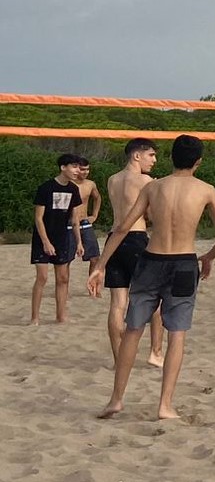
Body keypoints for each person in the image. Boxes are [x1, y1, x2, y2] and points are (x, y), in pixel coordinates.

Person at [90, 134, 215, 420]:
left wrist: (100, 265)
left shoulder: (153, 187)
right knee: (176, 333)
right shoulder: (206, 189)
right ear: (198, 162)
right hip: (184, 262)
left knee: (133, 329)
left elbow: (122, 228)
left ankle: (116, 399)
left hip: (151, 260)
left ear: (171, 158)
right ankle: (165, 405)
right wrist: (209, 257)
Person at [94, 138, 164, 367]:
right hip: (135, 238)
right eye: (150, 155)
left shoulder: (112, 179)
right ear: (137, 155)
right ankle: (155, 352)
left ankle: (119, 359)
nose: (154, 160)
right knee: (154, 297)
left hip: (114, 239)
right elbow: (151, 215)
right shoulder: (145, 181)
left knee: (117, 303)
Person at [31, 153, 85, 325]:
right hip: (42, 238)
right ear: (63, 167)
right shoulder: (46, 188)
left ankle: (61, 316)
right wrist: (46, 242)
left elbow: (74, 219)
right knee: (42, 277)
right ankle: (35, 317)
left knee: (63, 278)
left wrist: (79, 242)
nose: (77, 171)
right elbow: (38, 218)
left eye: (79, 167)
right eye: (74, 167)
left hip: (62, 238)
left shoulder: (73, 189)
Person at [73, 157, 104, 293]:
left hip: (85, 222)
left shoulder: (90, 184)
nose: (85, 172)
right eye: (82, 169)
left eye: (87, 169)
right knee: (65, 260)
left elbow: (97, 198)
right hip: (69, 224)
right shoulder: (69, 184)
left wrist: (95, 215)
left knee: (95, 258)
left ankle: (93, 288)